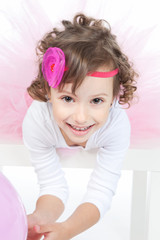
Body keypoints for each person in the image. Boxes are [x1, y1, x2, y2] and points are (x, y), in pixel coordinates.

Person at [22, 13, 137, 240]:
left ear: (114, 97)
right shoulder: (38, 121)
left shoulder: (115, 126)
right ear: (48, 91)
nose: (81, 117)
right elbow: (52, 185)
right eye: (67, 99)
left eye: (96, 101)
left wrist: (69, 229)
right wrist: (39, 220)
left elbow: (101, 191)